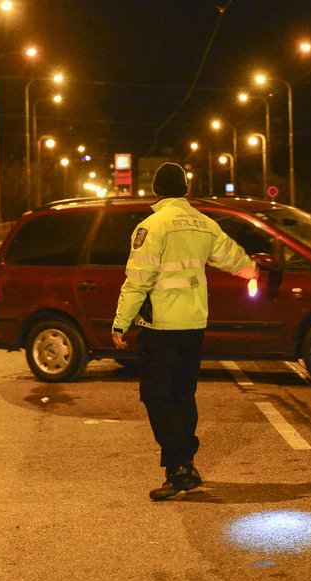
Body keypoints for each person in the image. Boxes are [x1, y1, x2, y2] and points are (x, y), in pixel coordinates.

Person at [112, 162, 258, 500]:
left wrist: (121, 322)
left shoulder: (152, 227)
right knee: (183, 394)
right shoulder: (204, 224)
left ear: (157, 191)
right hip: (194, 323)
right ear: (186, 189)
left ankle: (179, 466)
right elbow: (231, 256)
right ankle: (184, 463)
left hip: (161, 325)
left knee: (157, 396)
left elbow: (138, 280)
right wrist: (253, 272)